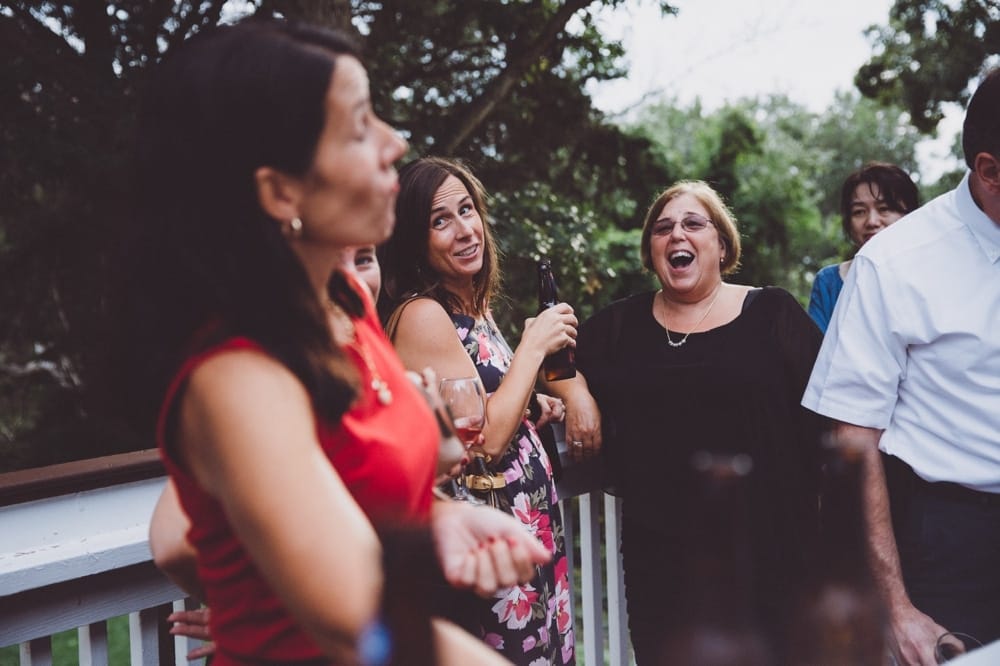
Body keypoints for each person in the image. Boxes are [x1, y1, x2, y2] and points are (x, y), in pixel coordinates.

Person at [120, 18, 550, 665]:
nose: (394, 143)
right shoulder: (237, 378)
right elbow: (365, 625)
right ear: (279, 190)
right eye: (358, 128)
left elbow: (350, 483)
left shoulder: (346, 304)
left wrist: (436, 517)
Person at [558, 180, 825, 664]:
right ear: (651, 252)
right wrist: (576, 393)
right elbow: (551, 358)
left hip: (771, 555)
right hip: (661, 564)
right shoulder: (621, 326)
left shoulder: (773, 313)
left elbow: (833, 411)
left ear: (721, 245)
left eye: (692, 223)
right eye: (662, 228)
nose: (676, 234)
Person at [802, 65, 1000, 665]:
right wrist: (897, 608)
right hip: (950, 543)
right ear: (989, 172)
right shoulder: (894, 262)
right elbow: (853, 438)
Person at [378, 156, 578, 665]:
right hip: (482, 530)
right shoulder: (423, 314)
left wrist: (533, 409)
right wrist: (532, 346)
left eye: (467, 210)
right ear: (413, 240)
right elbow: (481, 439)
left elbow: (480, 405)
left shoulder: (474, 309)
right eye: (440, 221)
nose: (465, 230)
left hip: (527, 524)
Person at [808, 162, 920, 333]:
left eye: (884, 208)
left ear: (910, 214)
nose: (872, 221)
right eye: (859, 212)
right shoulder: (828, 283)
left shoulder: (931, 276)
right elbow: (816, 354)